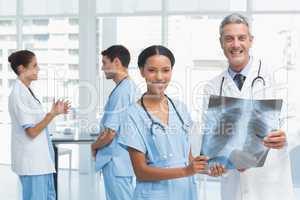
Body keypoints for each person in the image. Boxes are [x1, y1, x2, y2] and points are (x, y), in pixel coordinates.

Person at [201, 13, 295, 200]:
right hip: (233, 186)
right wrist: (215, 164)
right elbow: (212, 135)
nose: (236, 44)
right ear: (221, 43)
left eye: (241, 38)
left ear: (251, 41)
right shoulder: (212, 87)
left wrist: (286, 135)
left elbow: (294, 119)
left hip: (270, 184)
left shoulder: (277, 76)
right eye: (229, 39)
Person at [118, 45, 225, 200]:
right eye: (152, 70)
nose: (160, 77)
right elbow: (140, 171)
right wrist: (186, 171)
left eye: (166, 70)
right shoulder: (132, 115)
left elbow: (187, 160)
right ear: (142, 71)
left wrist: (209, 168)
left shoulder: (180, 108)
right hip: (153, 195)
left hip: (186, 192)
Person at [8, 50, 70, 200]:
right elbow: (32, 131)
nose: (38, 69)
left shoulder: (26, 91)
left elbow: (36, 124)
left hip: (39, 163)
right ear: (22, 69)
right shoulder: (19, 95)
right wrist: (52, 114)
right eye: (34, 65)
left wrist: (54, 113)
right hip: (32, 165)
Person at [91, 45, 138, 200]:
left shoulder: (123, 91)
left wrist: (94, 146)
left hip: (116, 160)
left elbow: (110, 133)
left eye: (105, 63)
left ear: (116, 62)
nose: (103, 68)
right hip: (122, 160)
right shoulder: (128, 87)